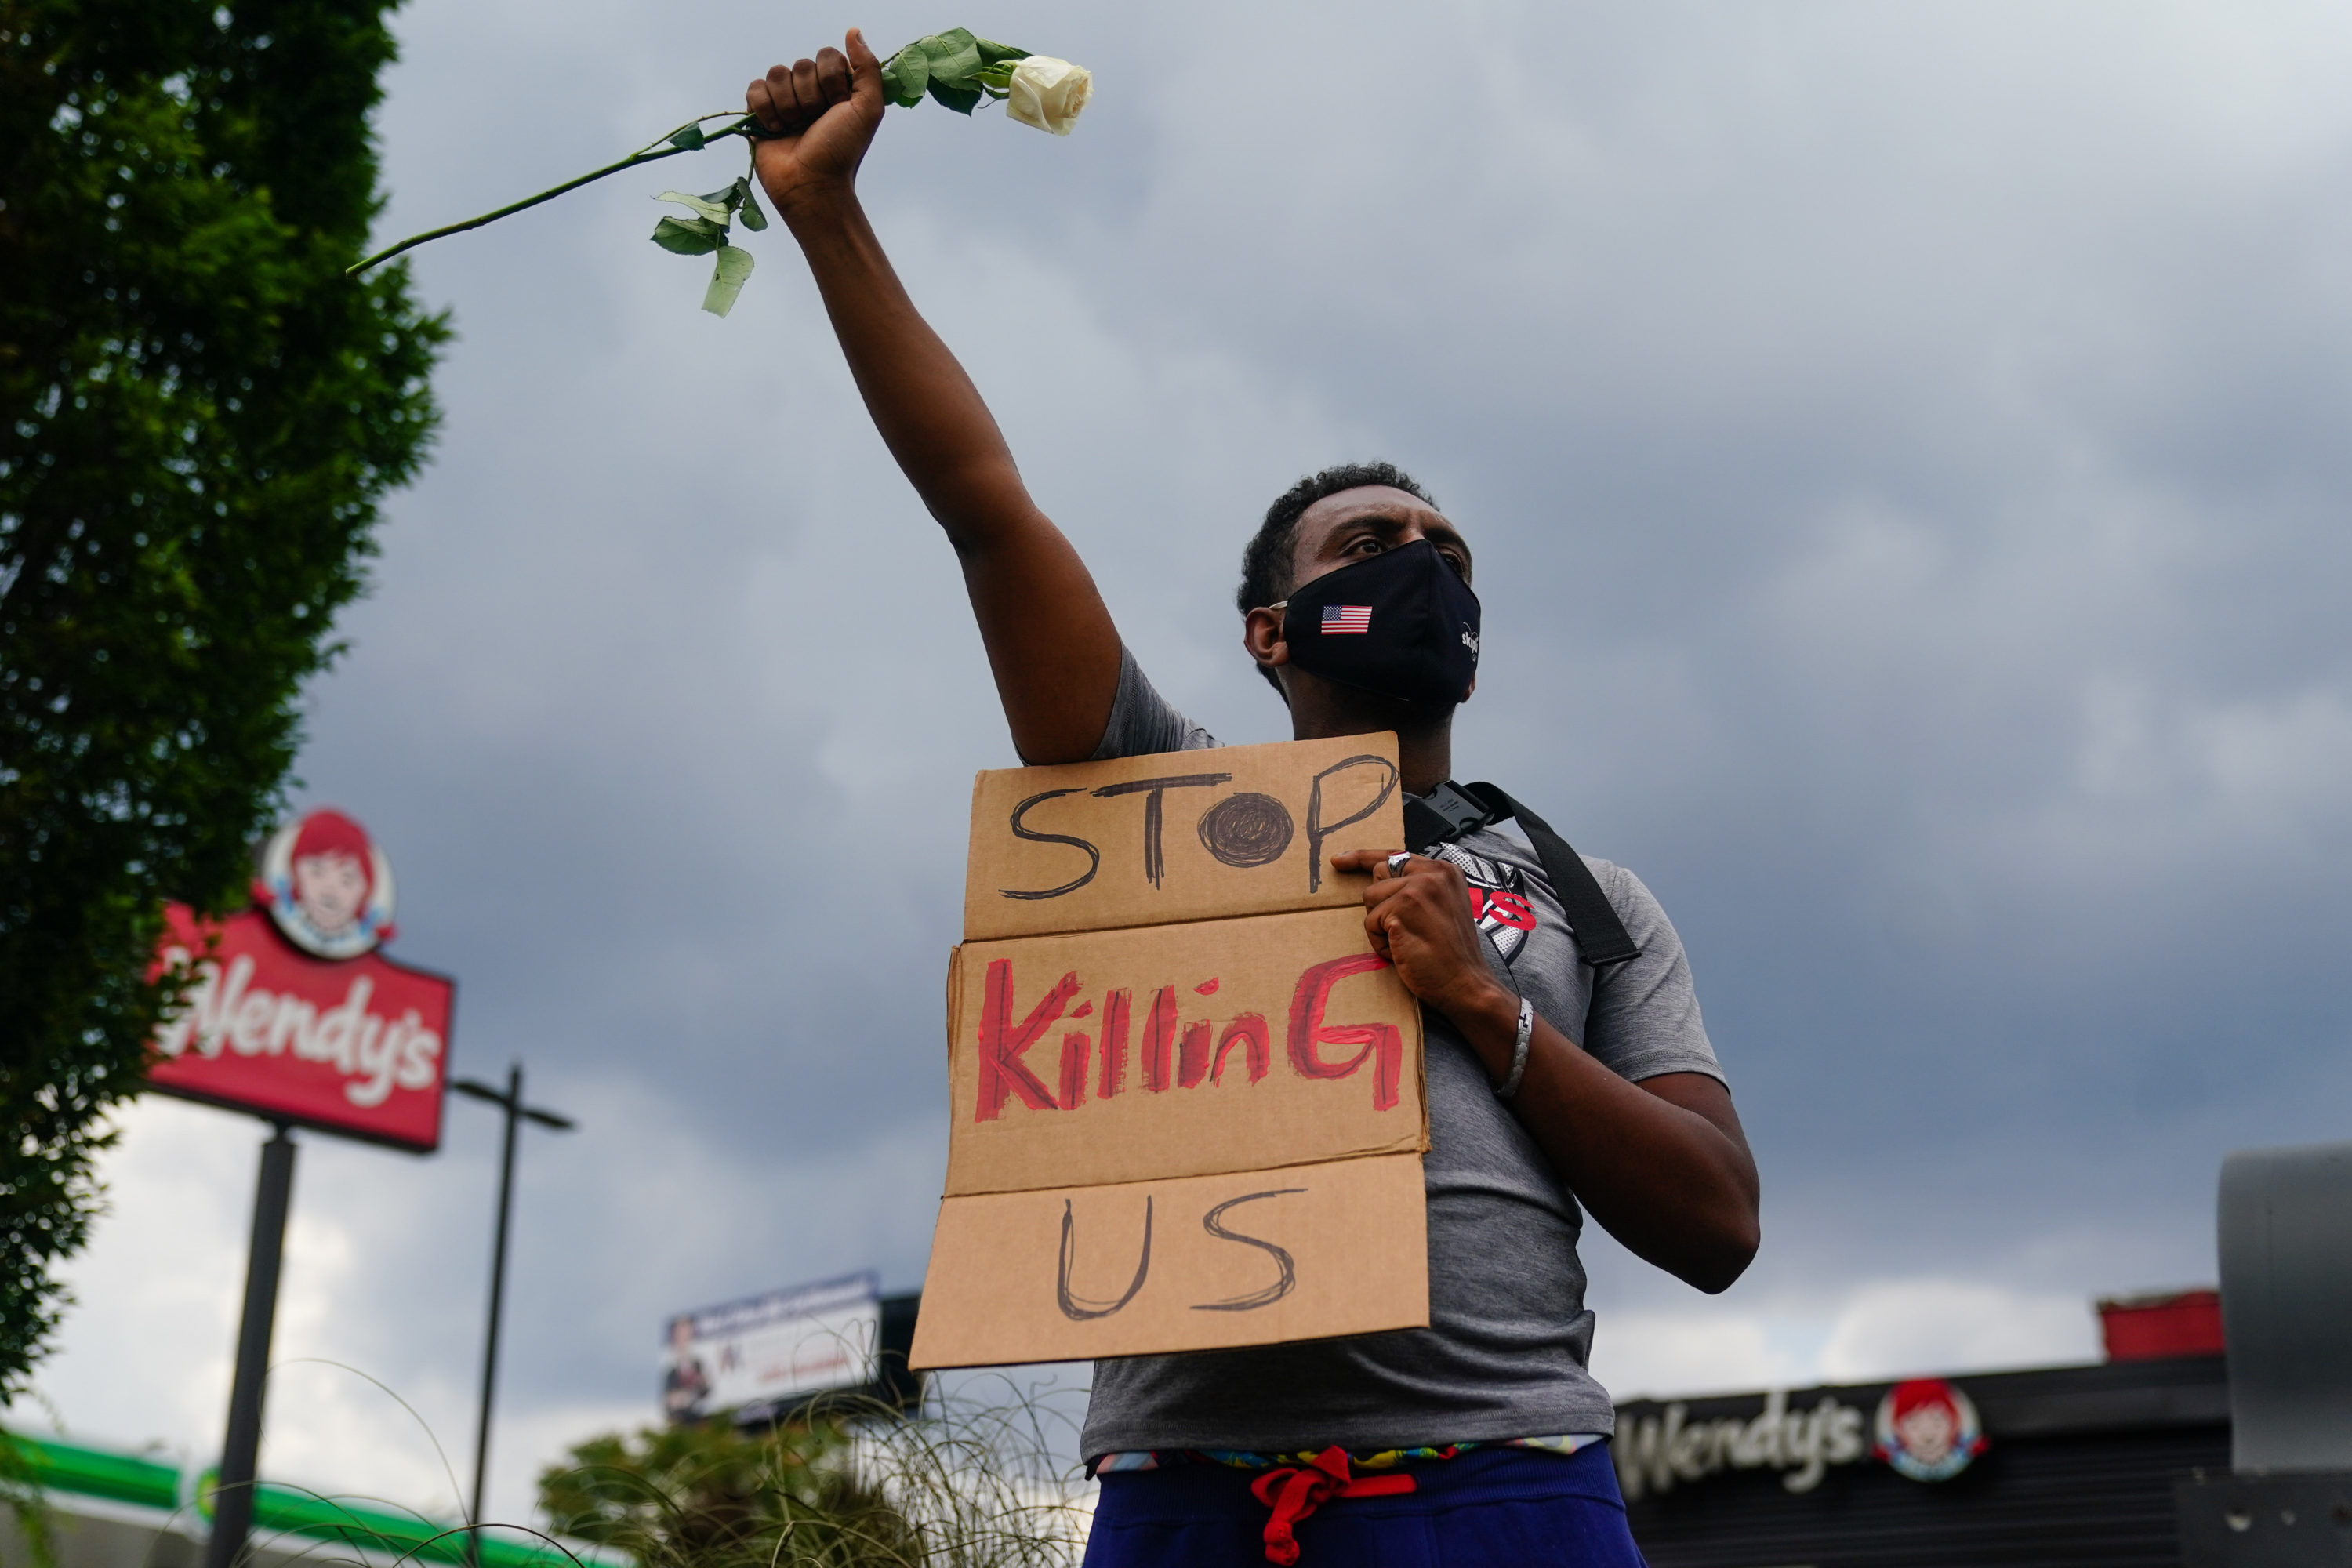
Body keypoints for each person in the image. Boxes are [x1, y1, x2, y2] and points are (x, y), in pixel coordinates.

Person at [744, 34, 1762, 1566]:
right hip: (1193, 1494)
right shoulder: (1156, 799)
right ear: (1270, 631)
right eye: (1369, 543)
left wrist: (1490, 1008)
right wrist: (828, 218)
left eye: (1447, 548)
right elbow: (983, 508)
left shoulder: (1591, 896)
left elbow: (1719, 1222)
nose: (1420, 559)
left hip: (1509, 1482)